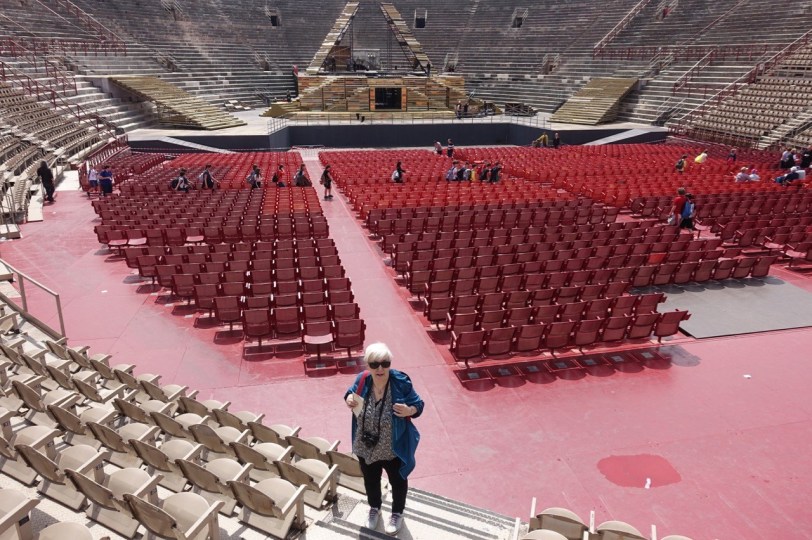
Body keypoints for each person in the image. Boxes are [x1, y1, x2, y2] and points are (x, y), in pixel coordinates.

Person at [344, 343, 424, 536]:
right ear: (367, 365)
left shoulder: (400, 382)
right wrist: (348, 399)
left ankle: (397, 513)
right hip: (366, 444)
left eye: (385, 363)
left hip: (392, 446)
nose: (380, 368)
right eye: (374, 364)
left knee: (398, 481)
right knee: (371, 480)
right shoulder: (362, 379)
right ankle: (374, 508)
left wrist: (409, 410)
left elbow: (419, 404)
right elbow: (349, 393)